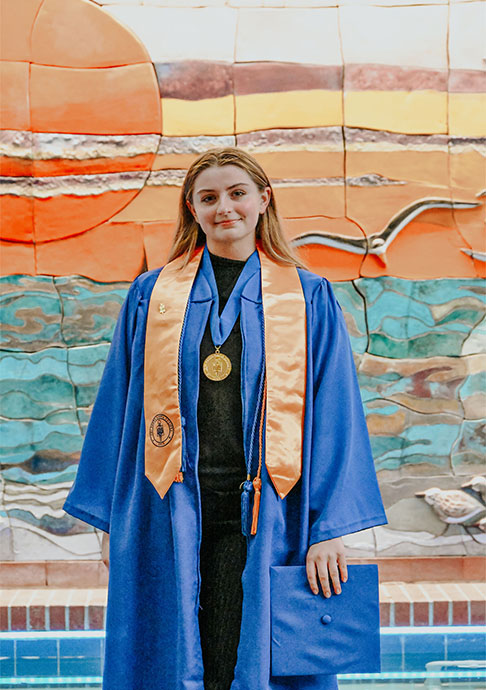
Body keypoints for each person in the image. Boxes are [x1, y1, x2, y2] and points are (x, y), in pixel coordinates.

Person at [63, 147, 387, 690]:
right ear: (191, 208)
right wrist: (113, 516)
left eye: (237, 194)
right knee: (179, 656)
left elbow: (336, 415)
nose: (224, 208)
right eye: (208, 198)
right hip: (167, 507)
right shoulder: (152, 296)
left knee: (259, 653)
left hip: (273, 512)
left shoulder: (308, 298)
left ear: (264, 199)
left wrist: (328, 529)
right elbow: (119, 407)